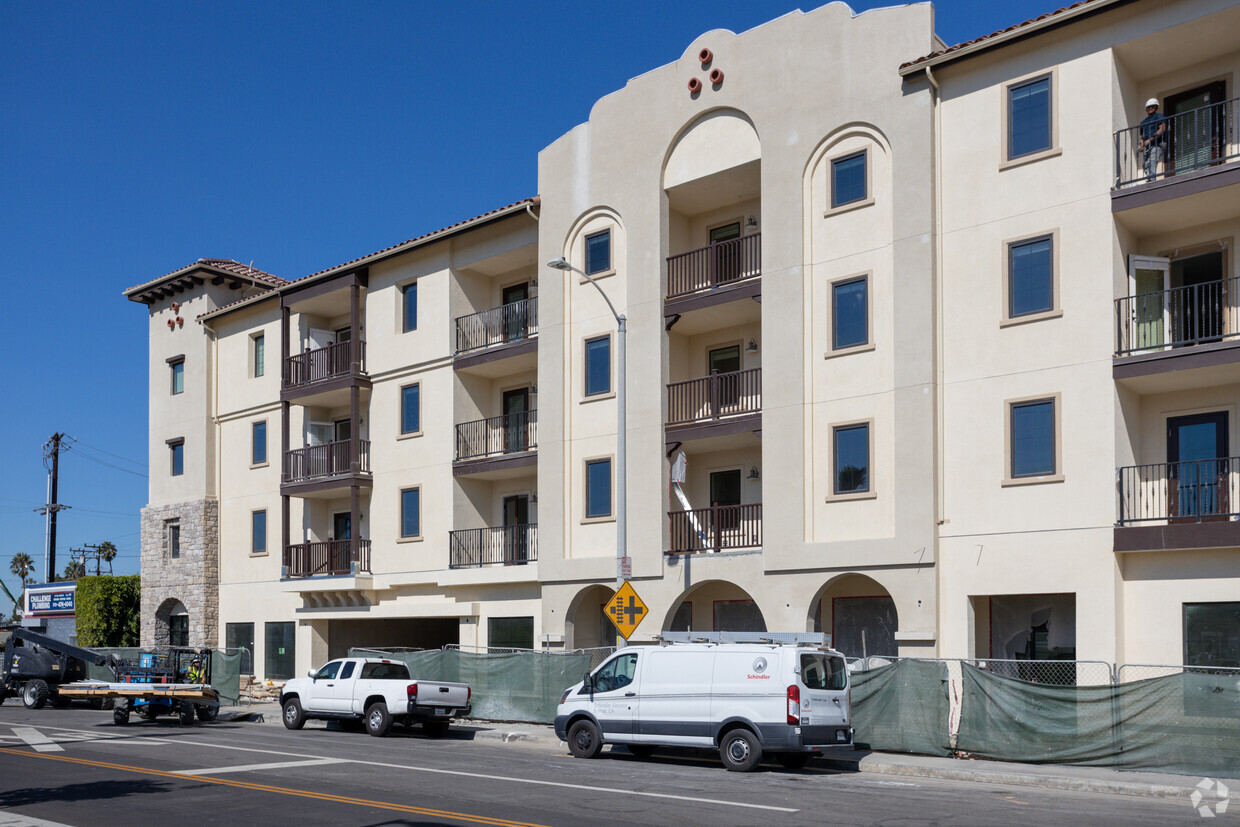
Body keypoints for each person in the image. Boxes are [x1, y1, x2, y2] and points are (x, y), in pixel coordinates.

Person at [1139, 97, 1166, 182]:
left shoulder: (1159, 116)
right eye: (1149, 107)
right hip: (1149, 146)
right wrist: (1141, 145)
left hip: (1158, 143)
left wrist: (1149, 140)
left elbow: (1162, 129)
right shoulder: (1143, 122)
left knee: (1152, 161)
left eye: (1152, 106)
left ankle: (1152, 180)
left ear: (1156, 107)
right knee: (1144, 164)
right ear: (1146, 109)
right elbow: (1142, 137)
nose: (1150, 108)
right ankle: (1150, 178)